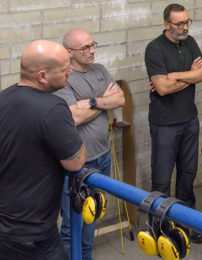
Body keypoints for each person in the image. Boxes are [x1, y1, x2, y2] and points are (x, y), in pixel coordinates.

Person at [0, 40, 86, 259]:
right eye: (64, 69)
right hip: (32, 234)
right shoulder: (53, 108)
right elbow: (75, 162)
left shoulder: (3, 98)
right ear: (42, 76)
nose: (70, 72)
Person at [54, 28, 125, 259]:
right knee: (71, 224)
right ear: (69, 52)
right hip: (77, 163)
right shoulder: (62, 78)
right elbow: (73, 117)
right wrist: (104, 101)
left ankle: (86, 256)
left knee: (92, 215)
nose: (92, 50)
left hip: (102, 156)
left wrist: (90, 102)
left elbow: (120, 99)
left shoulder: (100, 70)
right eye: (86, 47)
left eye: (93, 44)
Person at [144, 3, 202, 243]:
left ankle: (186, 224)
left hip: (189, 121)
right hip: (164, 125)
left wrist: (175, 75)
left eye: (187, 22)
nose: (184, 27)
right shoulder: (154, 49)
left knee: (187, 175)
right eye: (179, 24)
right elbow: (161, 89)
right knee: (161, 179)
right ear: (166, 24)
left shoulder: (189, 42)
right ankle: (160, 228)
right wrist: (189, 77)